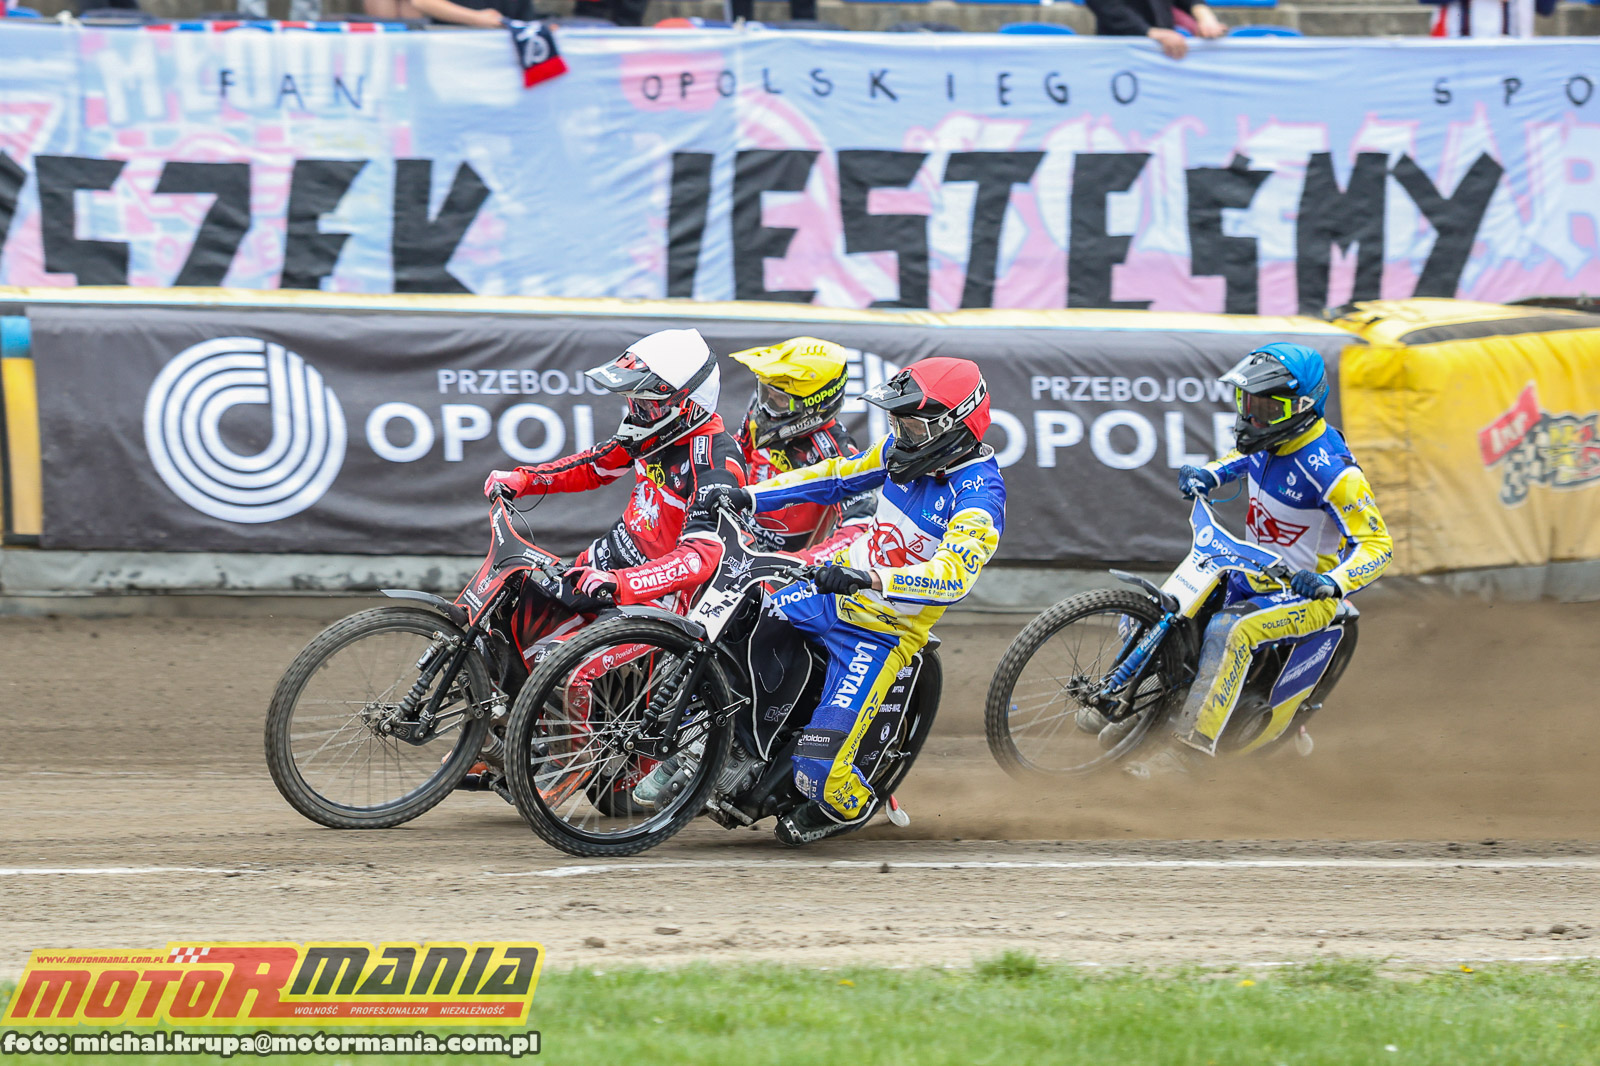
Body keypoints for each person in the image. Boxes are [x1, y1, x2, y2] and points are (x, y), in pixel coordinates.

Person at [645, 357, 1006, 846]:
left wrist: (869, 578)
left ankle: (856, 805)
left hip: (883, 629)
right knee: (738, 619)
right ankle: (710, 747)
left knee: (818, 771)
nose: (900, 434)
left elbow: (952, 577)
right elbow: (835, 476)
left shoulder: (980, 495)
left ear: (954, 426)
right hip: (830, 592)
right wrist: (749, 497)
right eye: (896, 421)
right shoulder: (902, 452)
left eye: (912, 425)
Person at [1123, 342, 1392, 774]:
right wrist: (1208, 473)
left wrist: (1332, 583)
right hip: (1250, 572)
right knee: (1168, 608)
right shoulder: (1271, 440)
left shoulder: (1334, 473)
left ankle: (1190, 754)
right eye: (1246, 402)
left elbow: (1378, 546)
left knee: (1230, 630)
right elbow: (1242, 458)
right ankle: (1139, 705)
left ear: (1302, 407)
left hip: (1305, 596)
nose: (1251, 418)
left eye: (1266, 409)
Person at [482, 328, 745, 609]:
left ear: (687, 406)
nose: (639, 413)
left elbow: (699, 557)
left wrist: (622, 582)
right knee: (515, 615)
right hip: (609, 558)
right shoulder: (656, 433)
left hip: (658, 595)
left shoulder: (715, 464)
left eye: (649, 405)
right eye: (635, 402)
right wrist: (524, 480)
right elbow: (594, 466)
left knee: (563, 639)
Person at [729, 337, 875, 558]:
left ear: (813, 405)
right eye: (766, 393)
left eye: (779, 400)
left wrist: (802, 561)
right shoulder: (762, 416)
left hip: (786, 561)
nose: (767, 406)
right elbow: (732, 456)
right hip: (740, 531)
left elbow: (860, 527)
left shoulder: (838, 453)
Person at [1085, 0, 1226, 59]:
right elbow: (1105, 5)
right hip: (1119, 52)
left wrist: (1205, 17)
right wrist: (1149, 32)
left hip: (1165, 53)